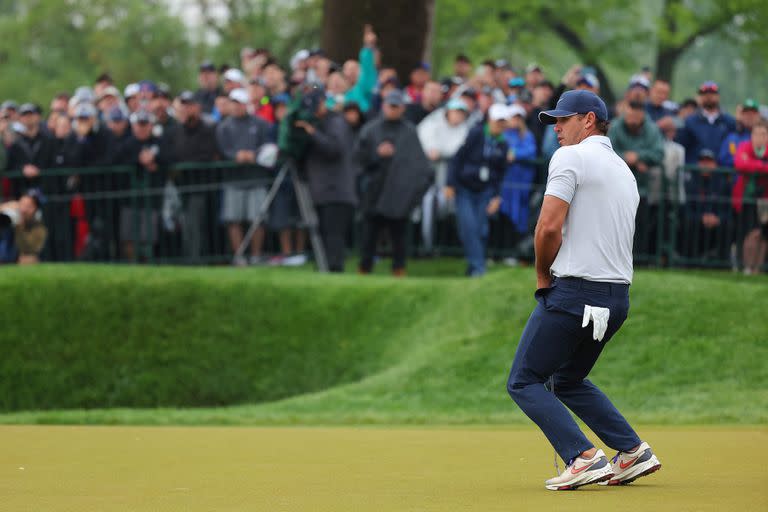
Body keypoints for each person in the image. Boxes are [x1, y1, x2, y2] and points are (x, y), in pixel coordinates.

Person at [506, 90, 661, 491]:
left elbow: (548, 227)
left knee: (524, 380)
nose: (556, 127)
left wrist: (542, 275)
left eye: (563, 119)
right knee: (569, 379)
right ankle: (631, 452)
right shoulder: (623, 168)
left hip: (575, 292)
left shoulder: (570, 157)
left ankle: (582, 456)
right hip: (617, 297)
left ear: (587, 120)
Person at [356, 89, 432, 276]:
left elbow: (420, 166)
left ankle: (399, 268)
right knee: (369, 234)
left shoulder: (409, 132)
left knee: (399, 234)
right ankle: (364, 268)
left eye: (397, 107)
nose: (393, 110)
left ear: (402, 108)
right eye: (390, 106)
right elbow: (358, 160)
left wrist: (411, 193)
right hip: (375, 191)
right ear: (384, 106)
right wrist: (377, 154)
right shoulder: (371, 130)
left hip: (400, 193)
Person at [294, 88, 357, 272]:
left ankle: (334, 272)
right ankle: (324, 270)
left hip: (337, 192)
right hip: (322, 191)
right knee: (321, 236)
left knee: (333, 236)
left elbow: (334, 149)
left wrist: (312, 133)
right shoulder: (318, 123)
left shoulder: (336, 122)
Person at [445, 103, 509, 277]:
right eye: (497, 121)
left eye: (503, 121)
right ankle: (479, 268)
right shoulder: (476, 133)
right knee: (469, 227)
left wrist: (496, 196)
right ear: (490, 120)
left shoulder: (503, 144)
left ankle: (473, 267)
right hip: (464, 188)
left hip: (485, 191)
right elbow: (457, 158)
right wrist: (450, 183)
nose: (500, 125)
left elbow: (499, 174)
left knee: (480, 229)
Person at [215, 87, 271, 266]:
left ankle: (255, 256)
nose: (236, 106)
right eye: (234, 103)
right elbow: (223, 149)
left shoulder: (260, 124)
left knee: (257, 219)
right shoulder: (224, 126)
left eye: (239, 103)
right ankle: (239, 257)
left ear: (246, 104)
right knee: (233, 219)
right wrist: (235, 156)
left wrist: (253, 155)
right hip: (233, 179)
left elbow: (268, 147)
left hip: (256, 178)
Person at [417, 98, 472, 253]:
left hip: (451, 181)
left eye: (462, 113)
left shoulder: (465, 128)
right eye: (456, 112)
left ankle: (446, 248)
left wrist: (442, 152)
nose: (458, 116)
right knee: (427, 208)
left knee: (449, 211)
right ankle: (426, 247)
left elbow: (458, 151)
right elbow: (431, 150)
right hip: (425, 179)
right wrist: (442, 152)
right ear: (448, 111)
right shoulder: (432, 122)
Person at [499, 104, 538, 263]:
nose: (515, 120)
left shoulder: (527, 136)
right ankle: (504, 253)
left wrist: (515, 154)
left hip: (522, 184)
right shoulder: (504, 134)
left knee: (520, 219)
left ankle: (516, 254)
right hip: (506, 184)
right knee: (505, 217)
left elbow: (530, 151)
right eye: (512, 117)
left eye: (518, 117)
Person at [732, 121, 768, 274]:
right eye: (756, 134)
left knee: (763, 234)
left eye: (763, 134)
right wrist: (762, 166)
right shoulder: (744, 147)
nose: (759, 137)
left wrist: (752, 163)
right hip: (746, 198)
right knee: (750, 233)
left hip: (765, 199)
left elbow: (747, 164)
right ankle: (747, 266)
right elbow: (740, 164)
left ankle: (757, 268)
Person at [676, 81, 736, 164]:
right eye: (705, 94)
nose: (708, 96)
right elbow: (682, 147)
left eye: (712, 93)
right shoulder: (690, 122)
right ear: (700, 97)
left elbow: (732, 148)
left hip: (720, 172)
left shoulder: (729, 122)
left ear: (718, 96)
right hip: (694, 171)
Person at [0, 193, 47, 264]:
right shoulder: (9, 217)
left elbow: (30, 250)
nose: (23, 210)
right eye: (21, 205)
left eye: (28, 206)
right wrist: (3, 207)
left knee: (30, 259)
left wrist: (20, 228)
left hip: (20, 259)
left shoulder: (38, 227)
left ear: (35, 209)